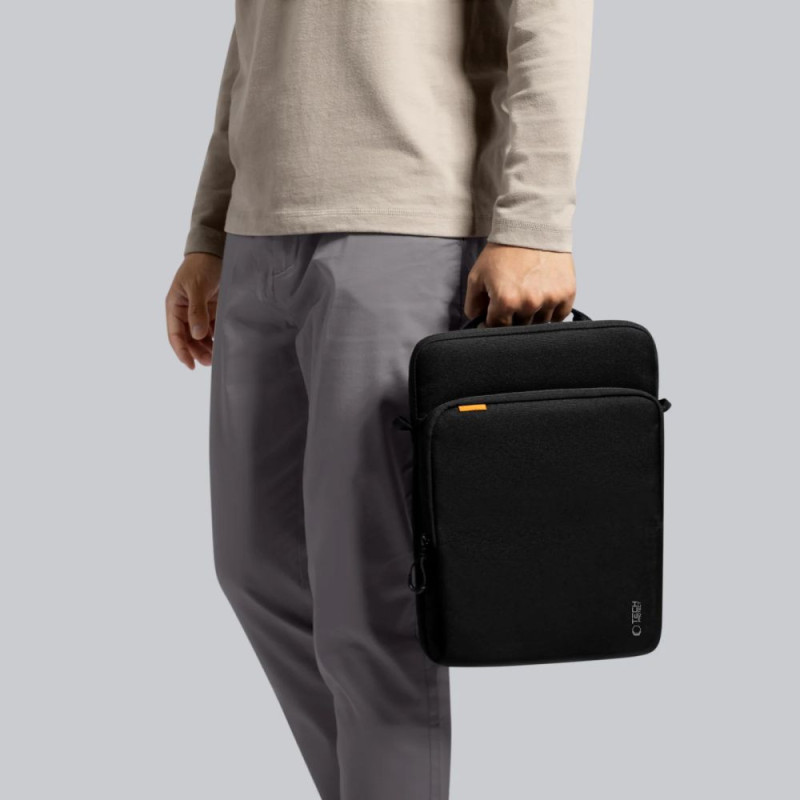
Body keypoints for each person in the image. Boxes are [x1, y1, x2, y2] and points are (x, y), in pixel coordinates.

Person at [165, 2, 593, 798]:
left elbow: (548, 16)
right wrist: (211, 230)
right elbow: (254, 38)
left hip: (407, 218)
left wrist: (534, 224)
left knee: (370, 599)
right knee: (258, 566)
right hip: (260, 231)